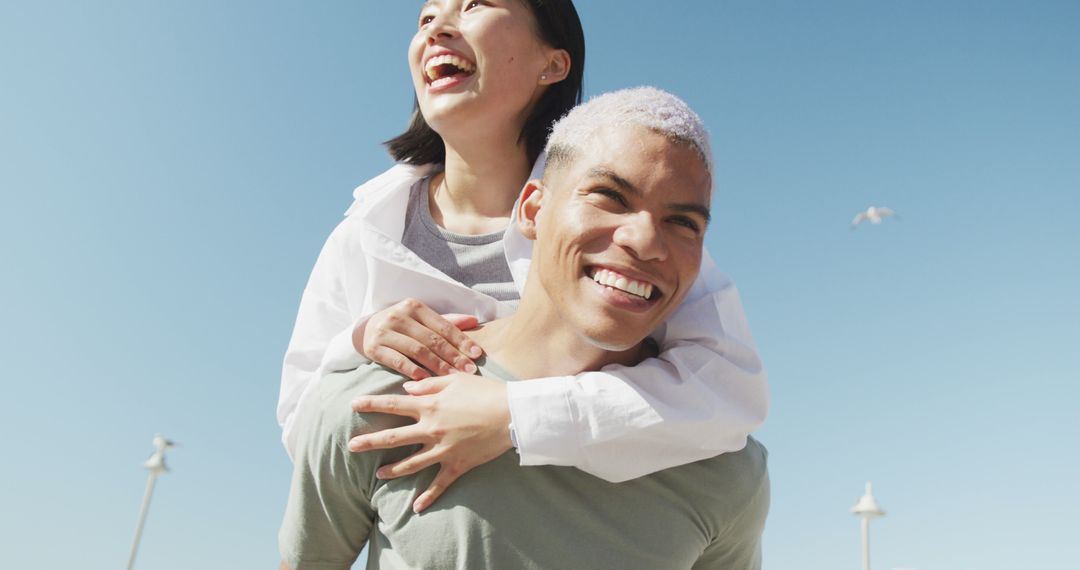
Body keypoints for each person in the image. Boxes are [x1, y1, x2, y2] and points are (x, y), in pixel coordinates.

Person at [278, 0, 768, 510]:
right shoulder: (363, 233)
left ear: (552, 64)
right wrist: (359, 344)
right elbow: (302, 427)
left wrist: (515, 415)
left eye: (473, 6)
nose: (438, 28)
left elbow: (729, 396)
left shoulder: (624, 230)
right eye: (425, 18)